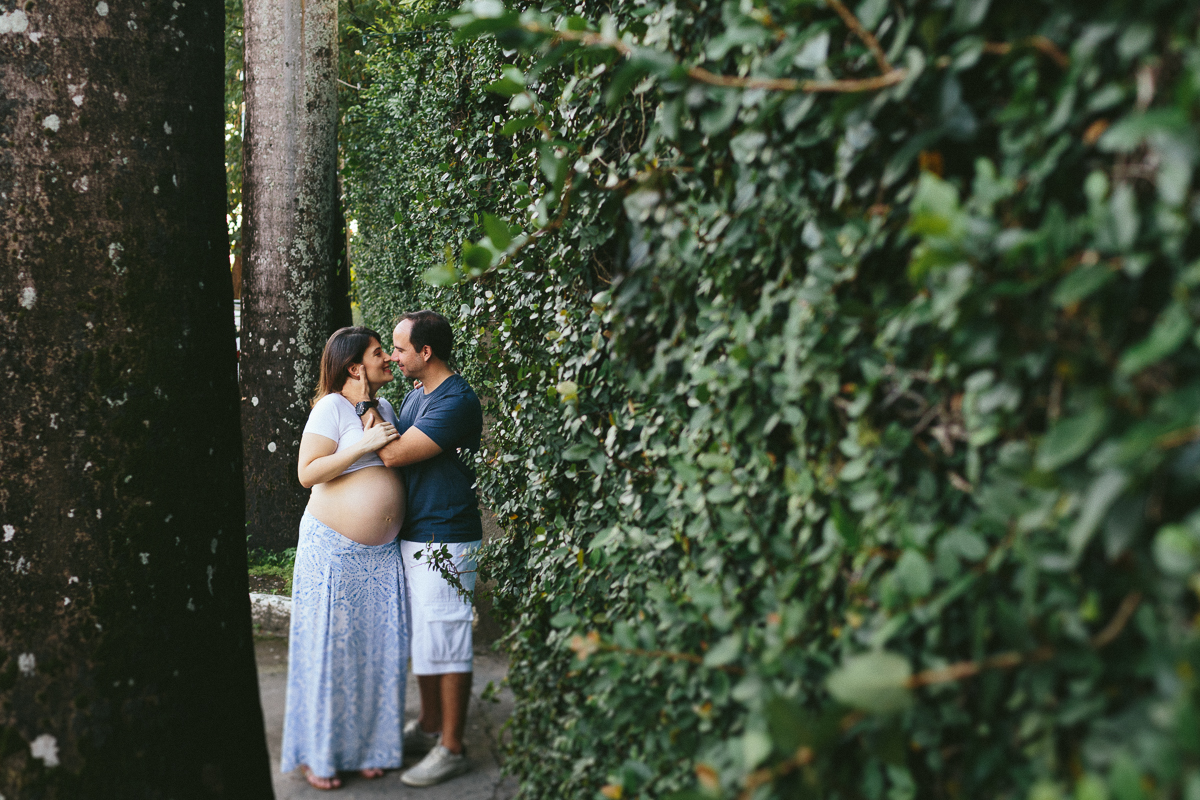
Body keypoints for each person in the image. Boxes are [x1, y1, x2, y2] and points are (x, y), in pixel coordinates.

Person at [347, 309, 484, 787]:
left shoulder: (457, 401)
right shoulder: (415, 394)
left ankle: (452, 747)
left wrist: (365, 400)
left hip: (446, 538)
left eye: (401, 348)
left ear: (426, 352)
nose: (394, 356)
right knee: (425, 638)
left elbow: (392, 454)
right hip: (415, 534)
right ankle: (428, 726)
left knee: (447, 639)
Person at [280, 326, 407, 790]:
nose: (387, 359)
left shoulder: (386, 407)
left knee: (376, 653)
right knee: (329, 653)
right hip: (333, 552)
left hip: (380, 557)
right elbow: (307, 473)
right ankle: (319, 755)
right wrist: (360, 445)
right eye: (379, 353)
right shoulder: (330, 406)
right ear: (355, 367)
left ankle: (371, 746)